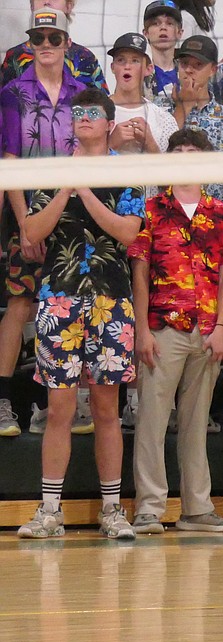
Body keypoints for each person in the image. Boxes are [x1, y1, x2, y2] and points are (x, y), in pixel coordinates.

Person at [16, 89, 145, 540]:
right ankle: (49, 510)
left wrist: (86, 191)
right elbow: (31, 232)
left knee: (107, 407)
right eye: (79, 114)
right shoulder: (54, 169)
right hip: (61, 300)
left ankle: (112, 510)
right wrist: (66, 186)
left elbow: (129, 232)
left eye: (93, 113)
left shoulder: (127, 173)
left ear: (109, 122)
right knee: (59, 408)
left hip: (111, 298)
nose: (84, 119)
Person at [128, 127, 223, 535]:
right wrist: (142, 330)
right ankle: (149, 507)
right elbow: (139, 273)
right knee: (152, 420)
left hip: (208, 328)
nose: (185, 159)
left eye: (193, 153)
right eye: (177, 152)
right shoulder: (152, 210)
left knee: (197, 422)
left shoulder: (222, 213)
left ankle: (197, 508)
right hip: (163, 326)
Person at [0, 7, 90, 438]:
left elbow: (88, 156)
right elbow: (10, 161)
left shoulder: (83, 92)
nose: (46, 46)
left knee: (69, 304)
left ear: (67, 44)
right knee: (21, 300)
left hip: (73, 211)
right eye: (39, 38)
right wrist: (23, 223)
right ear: (30, 43)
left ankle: (60, 402)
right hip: (28, 207)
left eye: (54, 38)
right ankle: (3, 401)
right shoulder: (14, 92)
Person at [164, 35, 223, 212]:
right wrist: (183, 106)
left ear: (213, 70)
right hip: (168, 216)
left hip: (213, 218)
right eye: (184, 63)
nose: (189, 70)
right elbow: (159, 154)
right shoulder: (159, 107)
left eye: (198, 65)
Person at [0, 0, 106, 92]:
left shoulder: (85, 57)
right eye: (38, 39)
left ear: (69, 6)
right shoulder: (15, 56)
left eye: (55, 39)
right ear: (31, 6)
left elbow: (103, 107)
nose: (47, 2)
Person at [107, 33, 179, 156]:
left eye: (135, 61)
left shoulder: (163, 119)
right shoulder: (96, 112)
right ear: (113, 67)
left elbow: (172, 170)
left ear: (149, 69)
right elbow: (80, 163)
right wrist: (110, 144)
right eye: (121, 60)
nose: (127, 66)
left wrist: (150, 143)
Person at [142, 0, 183, 100]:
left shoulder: (189, 72)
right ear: (145, 33)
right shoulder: (138, 72)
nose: (163, 27)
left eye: (169, 23)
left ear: (179, 33)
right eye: (156, 23)